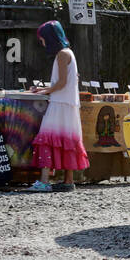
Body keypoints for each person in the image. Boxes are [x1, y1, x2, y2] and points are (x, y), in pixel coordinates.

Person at [28, 21, 89, 191]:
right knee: (67, 141)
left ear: (49, 38)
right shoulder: (68, 53)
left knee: (47, 137)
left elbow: (61, 83)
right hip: (68, 104)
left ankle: (45, 181)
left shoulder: (61, 55)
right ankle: (68, 181)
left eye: (43, 39)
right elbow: (66, 81)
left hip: (60, 103)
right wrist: (44, 89)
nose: (42, 43)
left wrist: (43, 92)